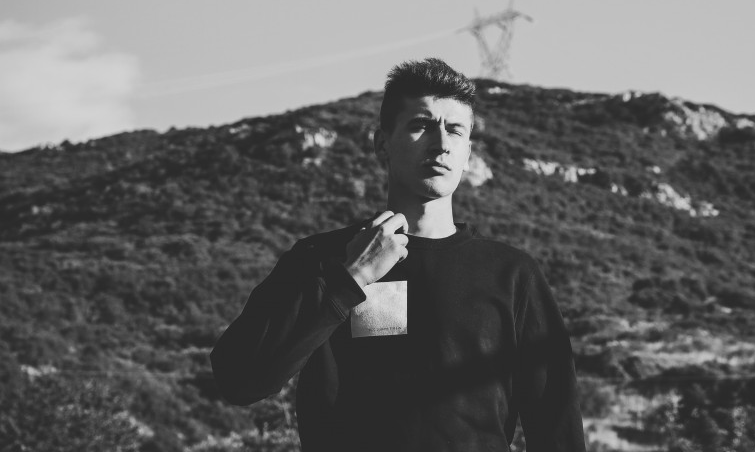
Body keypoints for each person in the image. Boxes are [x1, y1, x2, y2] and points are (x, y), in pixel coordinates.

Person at [210, 58, 585, 451]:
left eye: (455, 130)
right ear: (381, 144)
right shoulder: (320, 258)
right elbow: (237, 379)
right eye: (421, 125)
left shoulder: (511, 274)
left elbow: (557, 427)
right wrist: (349, 280)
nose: (441, 143)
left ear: (467, 152)